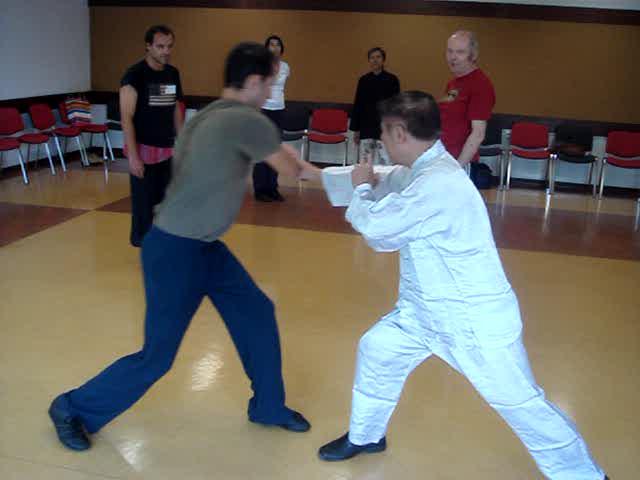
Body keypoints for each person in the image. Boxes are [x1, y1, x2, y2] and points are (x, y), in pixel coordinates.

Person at [314, 91, 608, 480]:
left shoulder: (440, 183)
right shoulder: (424, 168)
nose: (382, 142)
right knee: (378, 350)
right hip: (423, 313)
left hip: (473, 321)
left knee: (520, 403)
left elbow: (379, 232)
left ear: (400, 133)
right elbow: (396, 182)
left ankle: (585, 476)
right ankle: (367, 436)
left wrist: (362, 189)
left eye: (385, 133)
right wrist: (350, 179)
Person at [48, 42, 313, 451]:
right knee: (157, 357)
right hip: (177, 250)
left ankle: (269, 407)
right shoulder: (247, 120)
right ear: (255, 81)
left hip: (201, 245)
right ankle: (72, 408)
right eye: (270, 84)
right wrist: (362, 181)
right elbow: (295, 172)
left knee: (256, 311)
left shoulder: (202, 117)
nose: (272, 93)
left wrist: (286, 157)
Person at [121, 24, 185, 247]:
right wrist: (133, 156)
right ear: (148, 46)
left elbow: (176, 107)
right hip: (143, 149)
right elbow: (126, 117)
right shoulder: (134, 75)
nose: (165, 51)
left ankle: (161, 244)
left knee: (166, 201)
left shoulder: (172, 73)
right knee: (143, 205)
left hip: (166, 148)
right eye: (160, 47)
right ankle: (143, 245)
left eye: (169, 46)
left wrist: (182, 141)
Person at [439, 31, 495, 169]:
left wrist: (458, 168)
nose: (453, 57)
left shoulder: (480, 85)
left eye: (460, 52)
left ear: (473, 55)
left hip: (459, 163)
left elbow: (478, 134)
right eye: (450, 51)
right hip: (443, 157)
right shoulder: (453, 83)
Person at [253, 35, 290, 202]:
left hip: (278, 111)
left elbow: (279, 83)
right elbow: (267, 83)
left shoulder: (286, 67)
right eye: (271, 45)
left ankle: (272, 188)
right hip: (263, 109)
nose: (274, 48)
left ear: (282, 49)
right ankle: (260, 189)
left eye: (277, 45)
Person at [350, 47, 400, 165]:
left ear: (383, 60)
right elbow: (358, 104)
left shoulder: (392, 80)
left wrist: (395, 127)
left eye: (378, 57)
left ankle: (385, 183)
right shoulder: (363, 80)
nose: (375, 60)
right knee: (366, 161)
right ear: (369, 60)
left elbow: (396, 106)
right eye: (372, 58)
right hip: (366, 126)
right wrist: (356, 129)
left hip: (385, 126)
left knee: (385, 161)